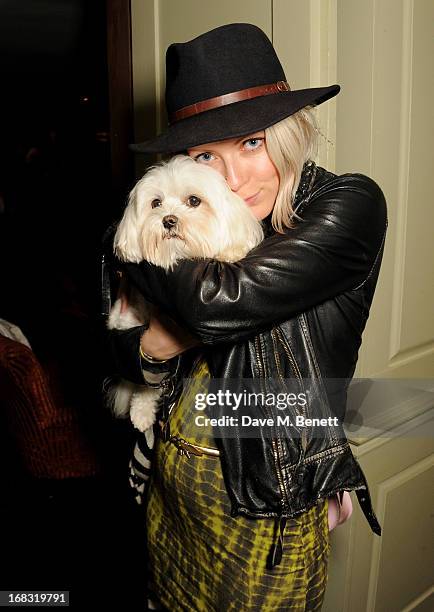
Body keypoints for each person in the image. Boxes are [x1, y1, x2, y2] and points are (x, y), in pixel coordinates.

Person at [105, 23, 387, 611]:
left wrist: (135, 238)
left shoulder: (345, 206)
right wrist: (150, 349)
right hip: (172, 482)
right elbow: (115, 344)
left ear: (288, 135)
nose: (230, 179)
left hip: (265, 510)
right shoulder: (194, 220)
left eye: (252, 144)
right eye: (206, 155)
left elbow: (216, 302)